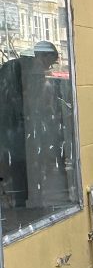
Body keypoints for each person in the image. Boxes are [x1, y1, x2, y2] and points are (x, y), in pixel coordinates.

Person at [0, 41, 60, 208]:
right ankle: (21, 202)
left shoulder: (25, 69)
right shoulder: (21, 70)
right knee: (20, 167)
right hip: (14, 128)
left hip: (22, 128)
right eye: (49, 61)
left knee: (27, 168)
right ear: (41, 55)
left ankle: (24, 200)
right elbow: (23, 102)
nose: (48, 67)